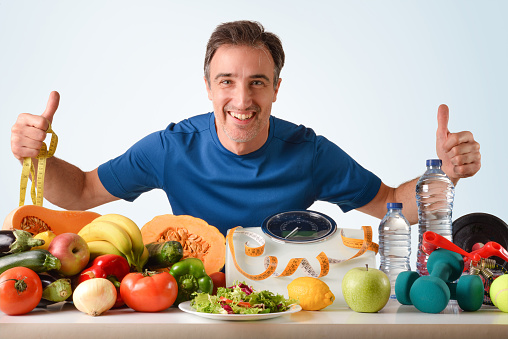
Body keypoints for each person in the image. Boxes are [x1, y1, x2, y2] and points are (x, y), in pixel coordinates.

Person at [10, 21, 481, 236]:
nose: (242, 100)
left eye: (257, 82)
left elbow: (390, 204)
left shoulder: (310, 152)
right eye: (227, 82)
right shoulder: (171, 148)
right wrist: (38, 158)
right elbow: (82, 192)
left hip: (285, 305)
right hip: (193, 304)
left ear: (276, 88)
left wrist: (444, 175)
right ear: (208, 88)